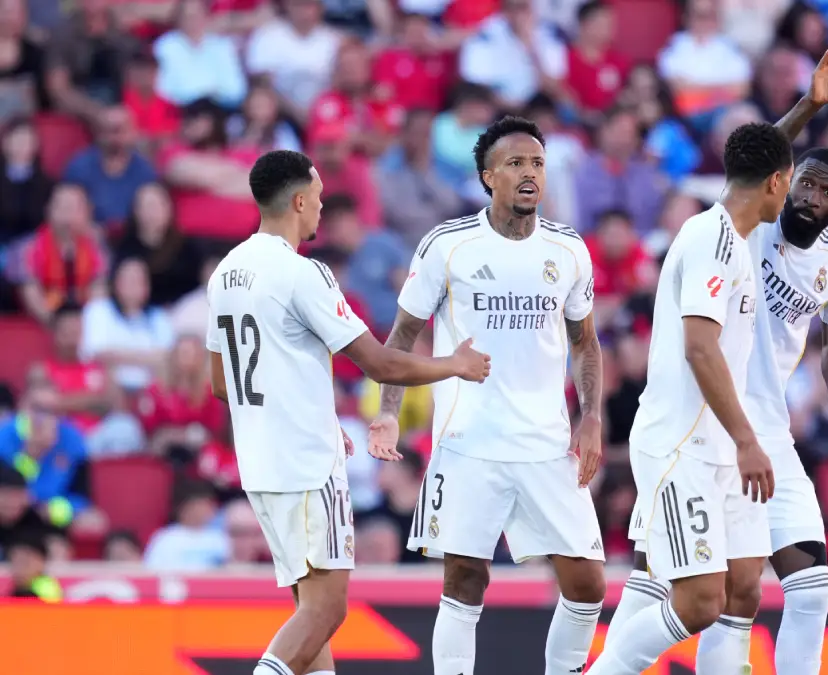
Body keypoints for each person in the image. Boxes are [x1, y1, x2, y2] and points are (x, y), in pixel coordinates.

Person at [589, 33, 828, 675]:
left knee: (747, 591)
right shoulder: (728, 235)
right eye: (799, 183)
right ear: (781, 183)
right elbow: (700, 348)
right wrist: (809, 106)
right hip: (695, 433)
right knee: (684, 592)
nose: (808, 198)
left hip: (753, 434)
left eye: (827, 193)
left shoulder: (811, 253)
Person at [208, 149, 490, 675]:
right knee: (328, 609)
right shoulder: (303, 274)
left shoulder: (226, 272)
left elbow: (222, 382)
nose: (321, 207)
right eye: (317, 197)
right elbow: (380, 363)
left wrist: (306, 409)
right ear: (298, 201)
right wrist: (455, 364)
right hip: (306, 463)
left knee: (308, 610)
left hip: (260, 463)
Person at [365, 116, 607, 675]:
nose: (530, 173)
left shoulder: (569, 249)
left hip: (547, 443)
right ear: (488, 176)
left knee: (587, 582)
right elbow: (401, 336)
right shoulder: (448, 246)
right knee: (465, 578)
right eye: (515, 163)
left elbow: (585, 343)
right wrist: (388, 413)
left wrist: (591, 416)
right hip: (469, 441)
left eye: (538, 163)